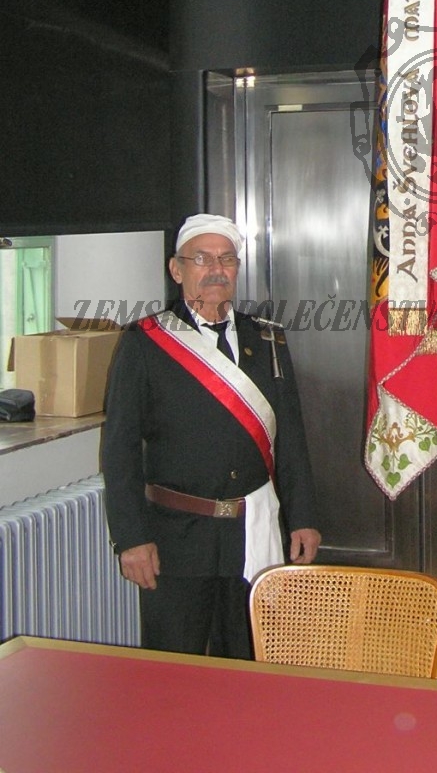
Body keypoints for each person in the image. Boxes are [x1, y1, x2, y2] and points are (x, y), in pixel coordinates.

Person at [102, 213, 320, 659]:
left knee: (249, 661)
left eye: (227, 259)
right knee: (172, 668)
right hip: (175, 540)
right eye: (201, 258)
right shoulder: (145, 343)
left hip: (252, 531)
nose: (216, 269)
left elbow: (291, 439)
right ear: (176, 269)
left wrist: (303, 517)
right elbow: (119, 450)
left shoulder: (269, 339)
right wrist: (131, 538)